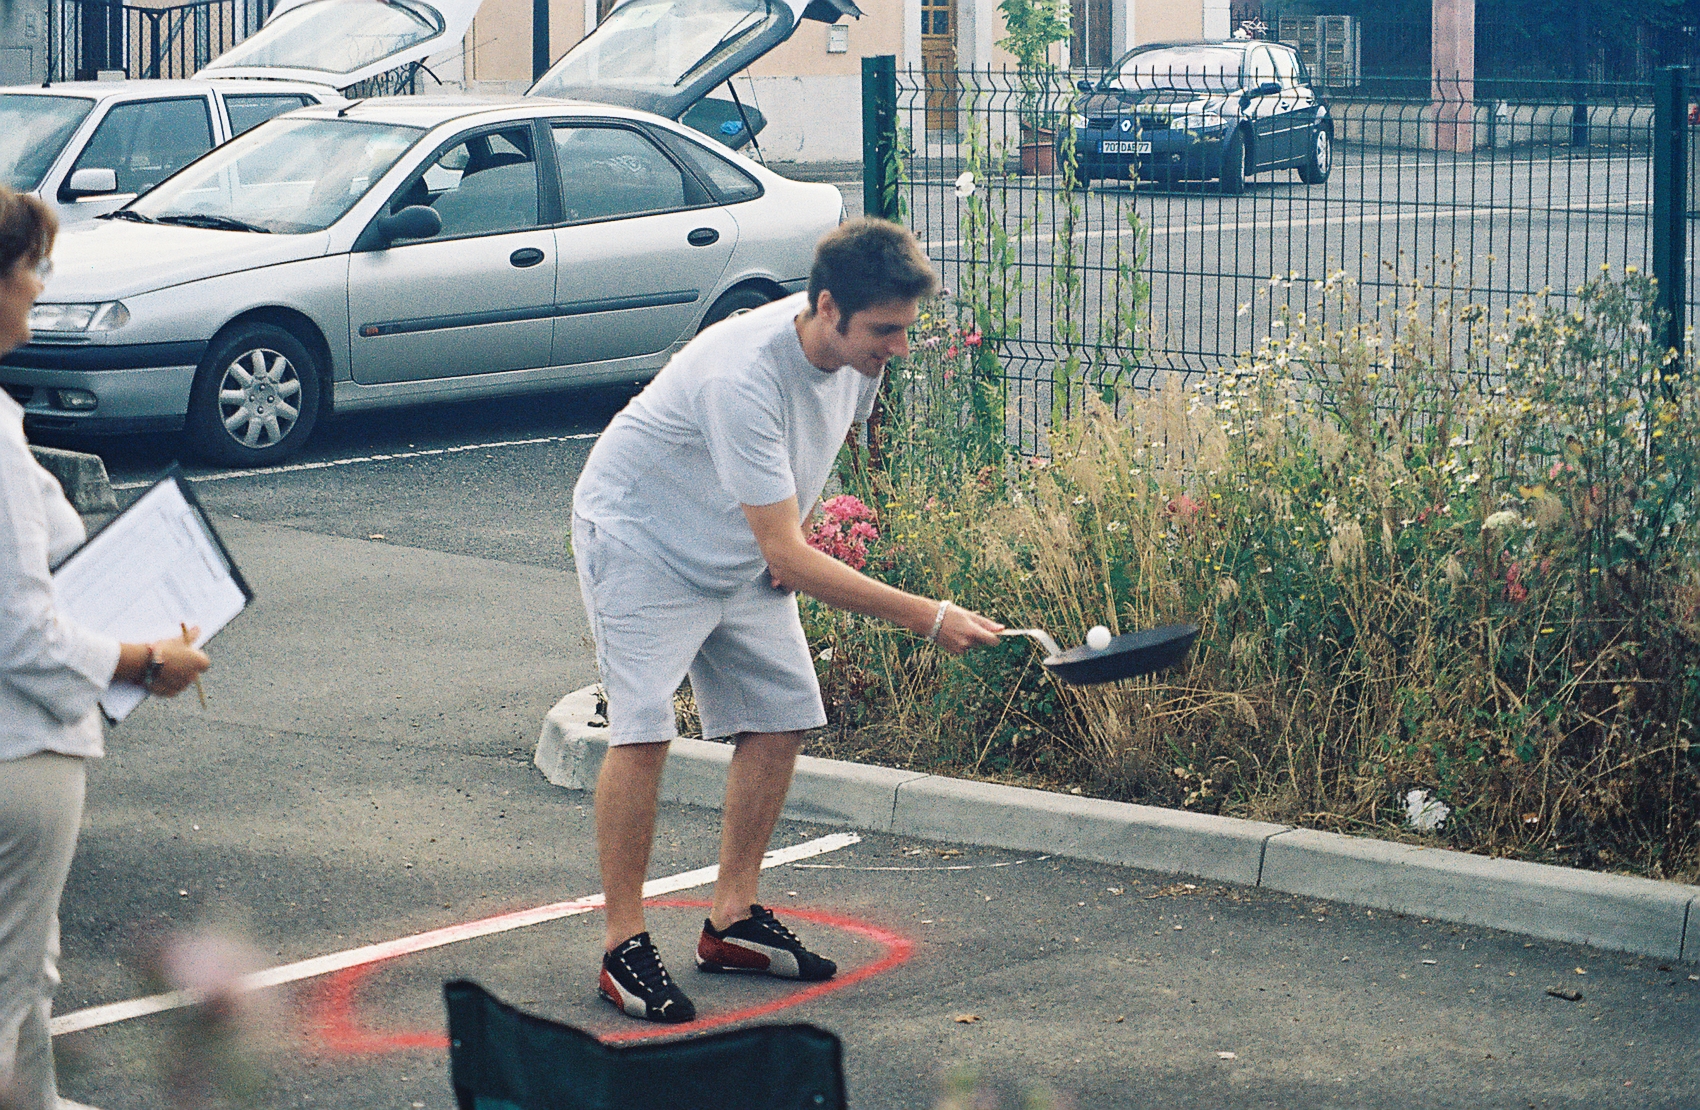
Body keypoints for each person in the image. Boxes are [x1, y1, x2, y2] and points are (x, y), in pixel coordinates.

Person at [571, 218, 1004, 1023]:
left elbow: (807, 478)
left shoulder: (854, 356)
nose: (899, 350)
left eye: (907, 330)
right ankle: (623, 946)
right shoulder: (743, 374)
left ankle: (731, 920)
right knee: (642, 730)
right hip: (642, 541)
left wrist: (792, 539)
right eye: (885, 331)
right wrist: (930, 615)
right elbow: (791, 550)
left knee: (781, 717)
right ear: (828, 306)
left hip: (740, 549)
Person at [0, 186, 210, 1108]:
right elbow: (20, 630)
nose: (39, 290)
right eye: (29, 270)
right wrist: (144, 661)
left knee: (27, 968)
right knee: (4, 990)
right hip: (18, 752)